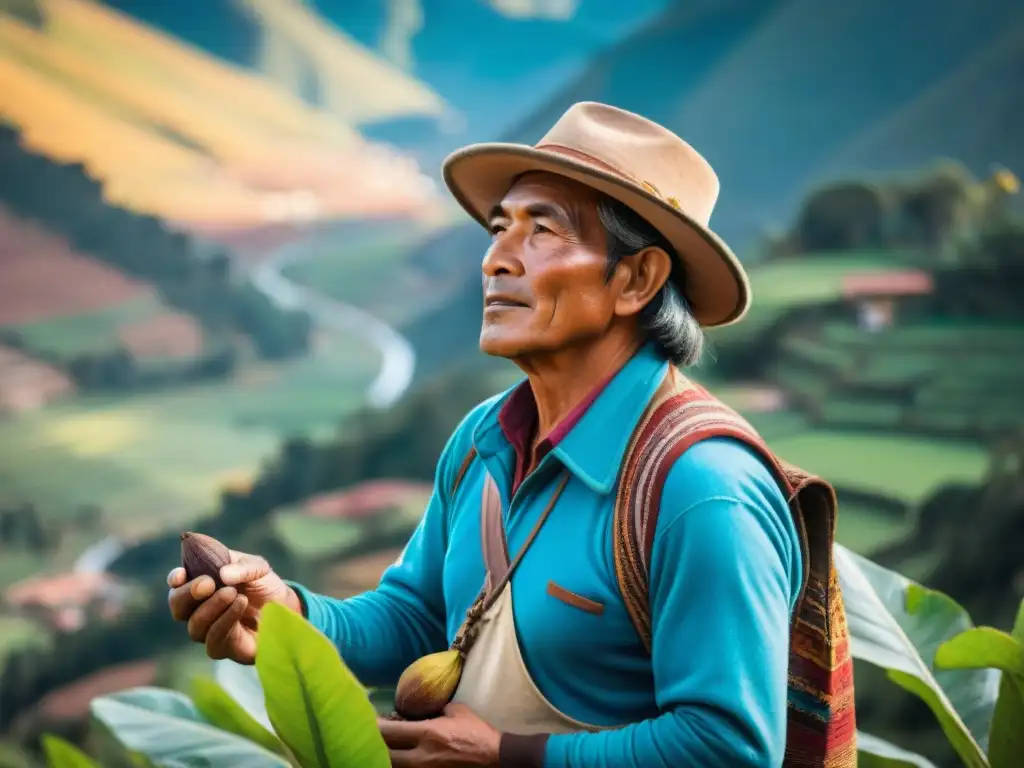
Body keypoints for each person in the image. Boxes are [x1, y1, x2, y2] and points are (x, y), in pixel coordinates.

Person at [168, 102, 855, 768]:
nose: (496, 259)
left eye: (543, 231)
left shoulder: (700, 490)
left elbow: (729, 747)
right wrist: (286, 613)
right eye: (499, 228)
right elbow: (417, 616)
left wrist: (505, 756)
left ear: (637, 279)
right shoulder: (482, 440)